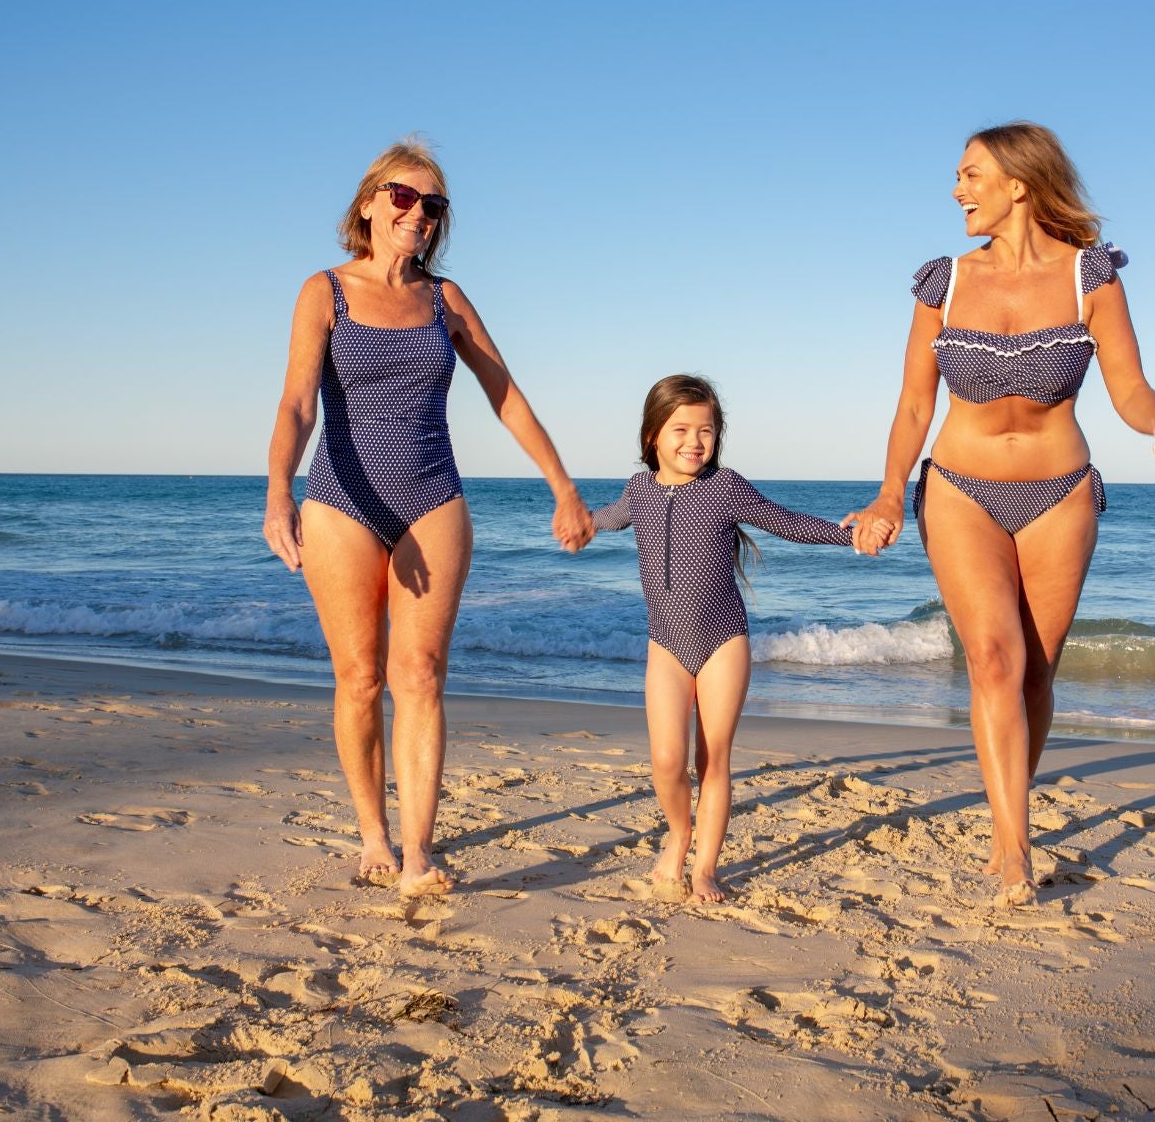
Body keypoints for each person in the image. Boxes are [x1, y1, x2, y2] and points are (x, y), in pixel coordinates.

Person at [844, 123, 1155, 905]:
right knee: (993, 659)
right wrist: (893, 491)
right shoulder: (944, 282)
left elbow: (1130, 386)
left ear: (1020, 184)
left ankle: (1010, 821)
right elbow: (912, 404)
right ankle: (1013, 850)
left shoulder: (1089, 277)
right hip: (962, 488)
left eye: (971, 175)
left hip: (1059, 493)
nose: (958, 190)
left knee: (1036, 670)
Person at [263, 138, 593, 897]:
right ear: (370, 203)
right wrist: (279, 489)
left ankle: (417, 850)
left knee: (420, 674)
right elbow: (296, 403)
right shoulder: (325, 291)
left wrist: (562, 486)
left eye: (433, 204)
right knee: (358, 675)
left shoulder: (445, 300)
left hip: (431, 497)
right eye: (405, 198)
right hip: (342, 500)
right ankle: (372, 833)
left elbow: (504, 394)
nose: (419, 213)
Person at [587, 375, 880, 902]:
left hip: (724, 639)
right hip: (666, 644)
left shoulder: (726, 488)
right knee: (666, 760)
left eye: (707, 430)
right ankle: (678, 835)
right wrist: (579, 522)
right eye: (681, 429)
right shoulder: (639, 491)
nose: (694, 442)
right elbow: (606, 519)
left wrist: (849, 533)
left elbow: (785, 522)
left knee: (713, 758)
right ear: (653, 435)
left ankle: (704, 869)